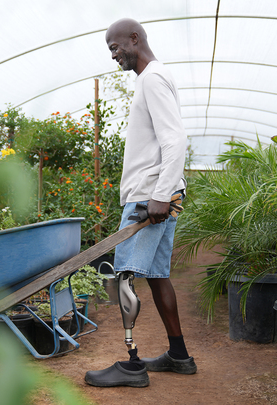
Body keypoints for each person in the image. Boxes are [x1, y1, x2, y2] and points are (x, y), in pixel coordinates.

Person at [84, 18, 196, 388]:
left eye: (115, 47)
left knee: (125, 276)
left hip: (150, 197)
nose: (114, 56)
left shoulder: (151, 78)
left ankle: (132, 365)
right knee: (159, 275)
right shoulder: (152, 79)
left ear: (135, 38)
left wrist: (160, 195)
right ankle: (179, 355)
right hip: (156, 193)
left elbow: (175, 139)